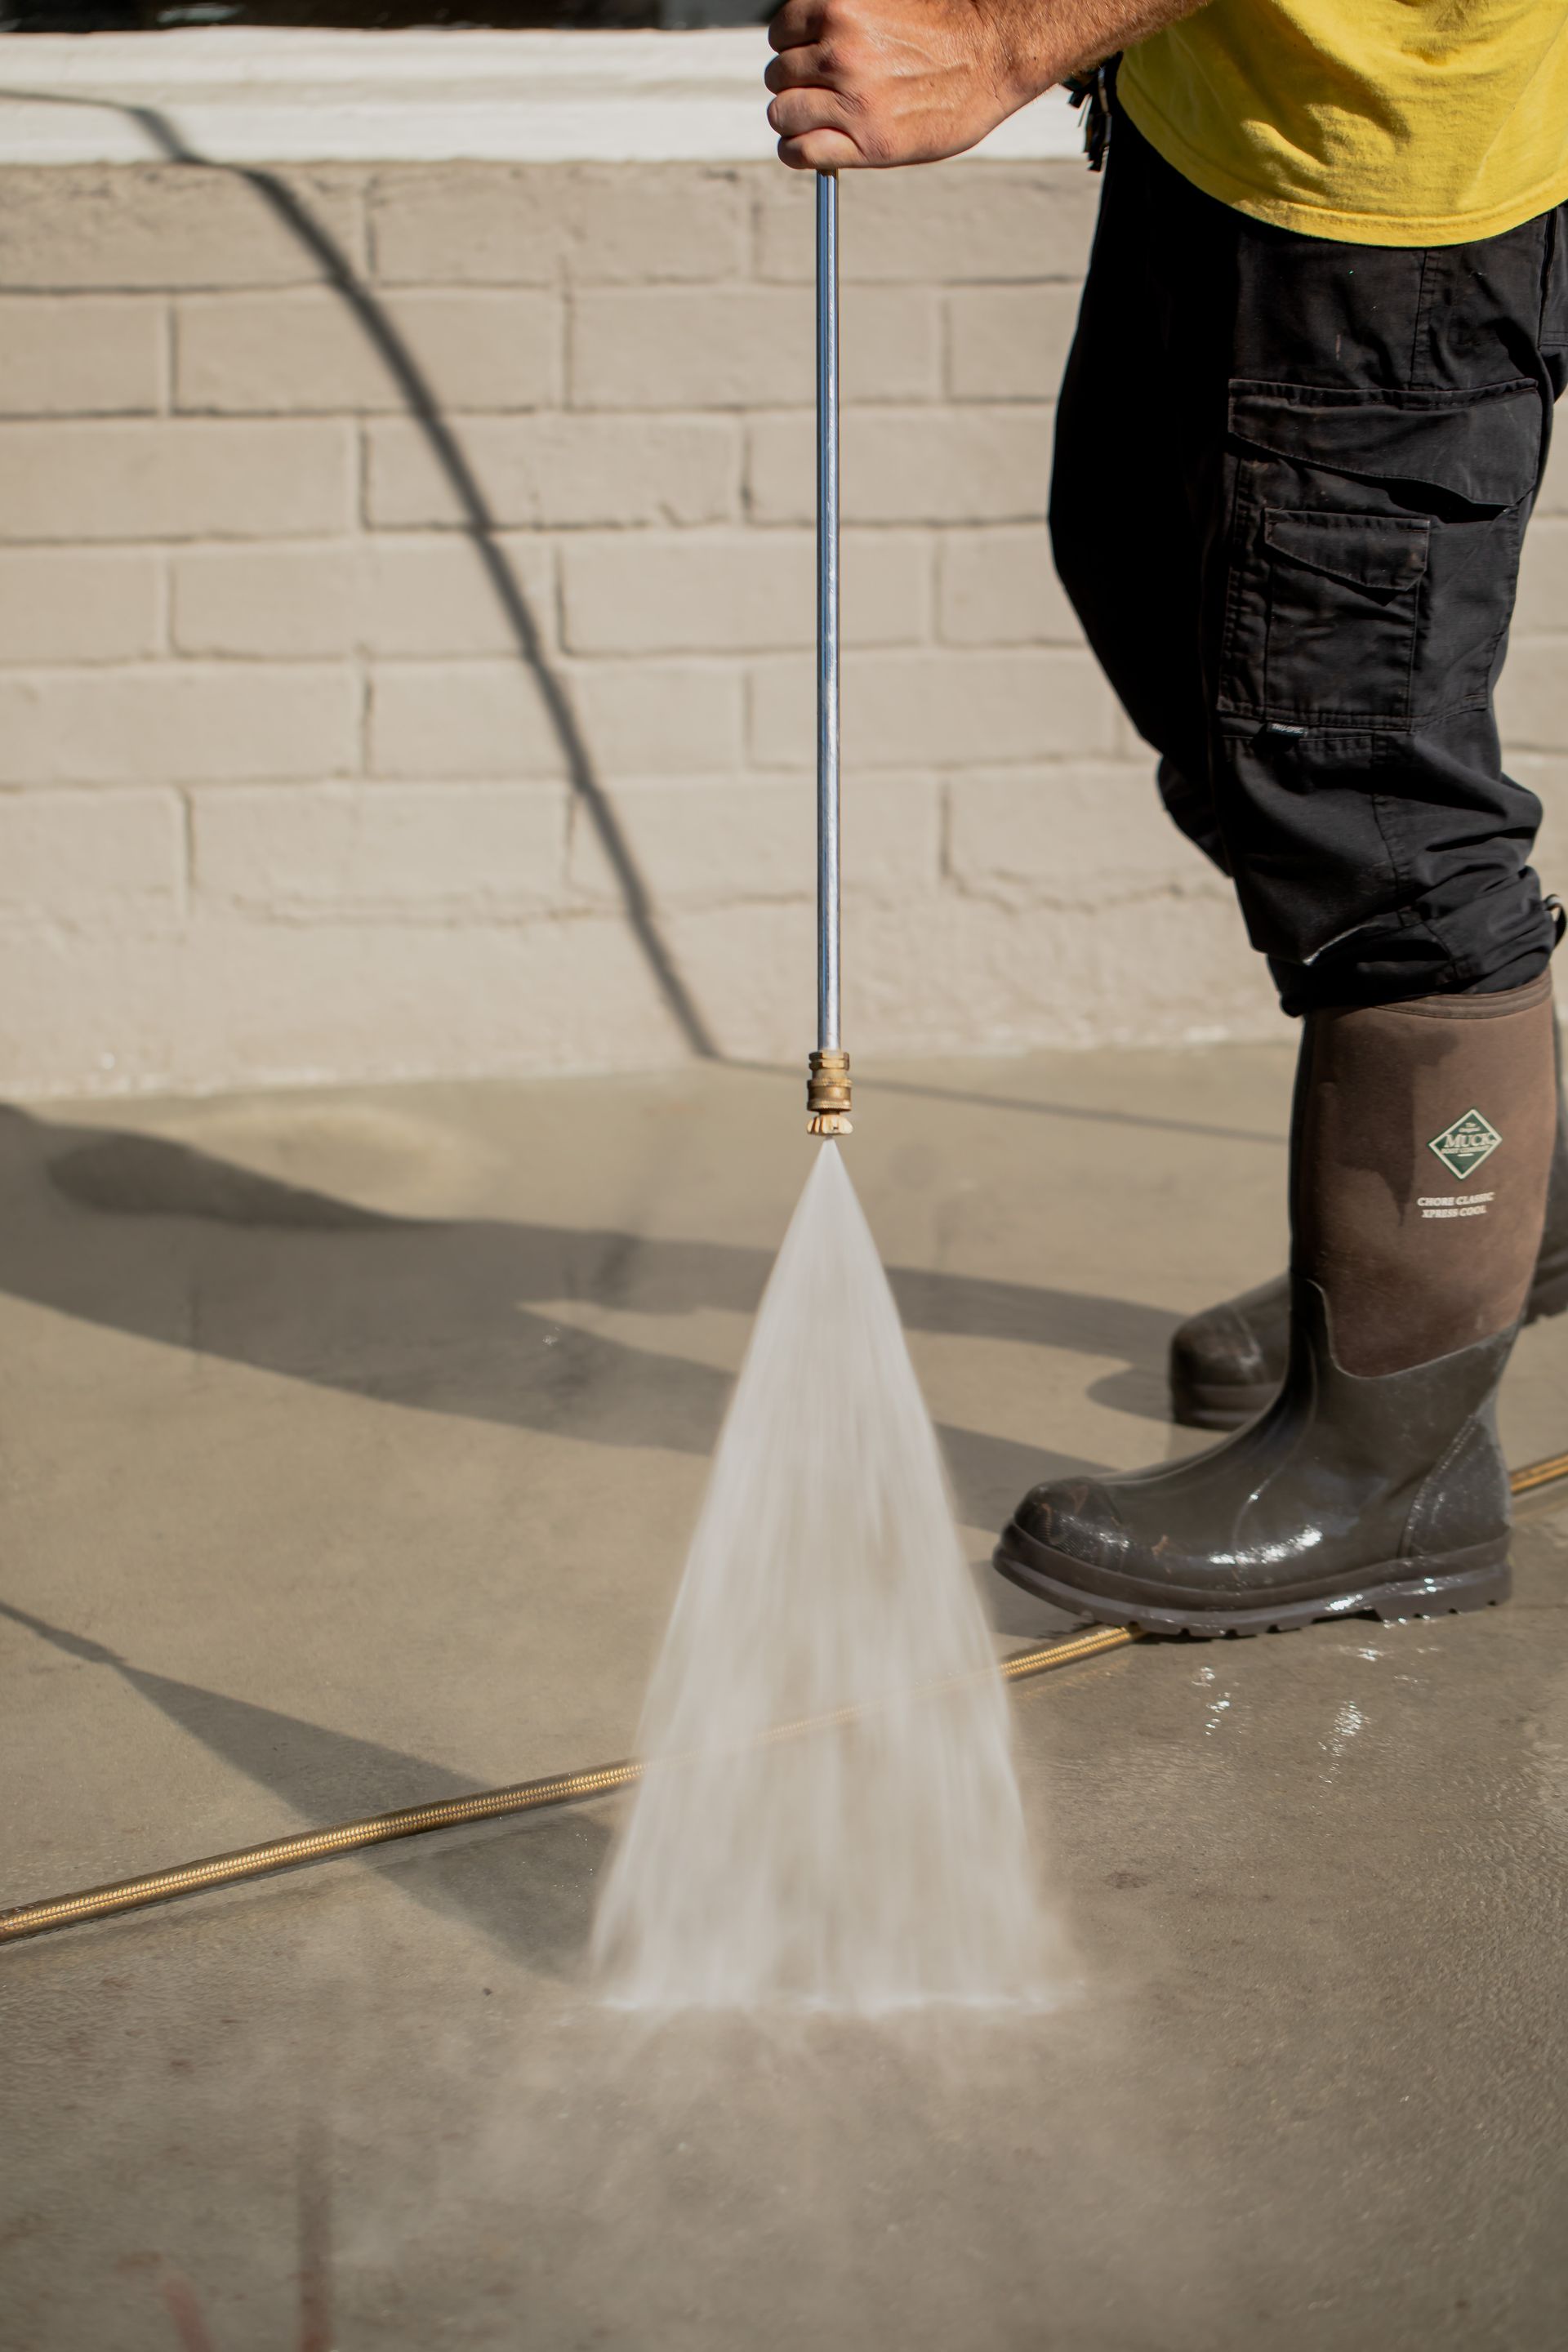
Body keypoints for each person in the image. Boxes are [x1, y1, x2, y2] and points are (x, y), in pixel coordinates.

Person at [767, 0, 1568, 1633]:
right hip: (1222, 111)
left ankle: (1393, 1471)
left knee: (1361, 792)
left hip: (1388, 191)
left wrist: (1000, 37)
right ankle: (1494, 1206)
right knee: (1161, 599)